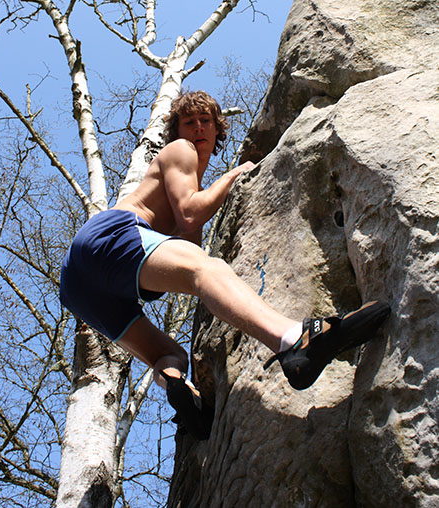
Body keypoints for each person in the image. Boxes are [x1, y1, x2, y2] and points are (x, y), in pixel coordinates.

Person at [60, 91, 390, 440]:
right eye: (189, 122)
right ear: (177, 131)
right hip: (109, 236)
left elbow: (186, 257)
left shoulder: (189, 185)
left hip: (81, 290)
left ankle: (189, 406)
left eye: (206, 121)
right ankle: (294, 340)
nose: (198, 128)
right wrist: (233, 176)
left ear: (219, 131)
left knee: (170, 356)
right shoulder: (179, 151)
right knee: (208, 268)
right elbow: (189, 216)